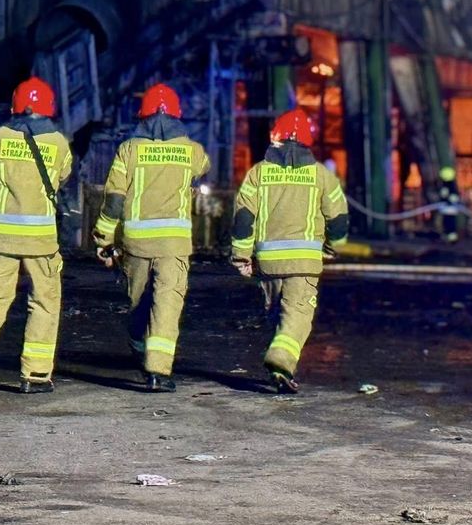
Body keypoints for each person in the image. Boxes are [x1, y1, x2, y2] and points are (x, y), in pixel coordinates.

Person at [0, 77, 72, 393]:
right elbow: (62, 180)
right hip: (41, 241)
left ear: (14, 106)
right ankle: (34, 375)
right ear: (49, 107)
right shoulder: (60, 143)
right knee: (44, 302)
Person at [92, 83, 210, 392]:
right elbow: (202, 168)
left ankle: (138, 345)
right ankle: (158, 370)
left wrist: (104, 238)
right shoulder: (192, 151)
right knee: (167, 303)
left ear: (141, 116)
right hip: (174, 244)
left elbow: (114, 199)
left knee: (137, 303)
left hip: (137, 243)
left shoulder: (128, 150)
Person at [231, 109, 348, 393]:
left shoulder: (258, 172)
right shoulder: (322, 176)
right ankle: (280, 361)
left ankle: (280, 369)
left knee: (277, 316)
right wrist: (333, 248)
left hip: (269, 263)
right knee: (296, 316)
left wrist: (241, 255)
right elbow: (339, 219)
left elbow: (244, 217)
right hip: (304, 263)